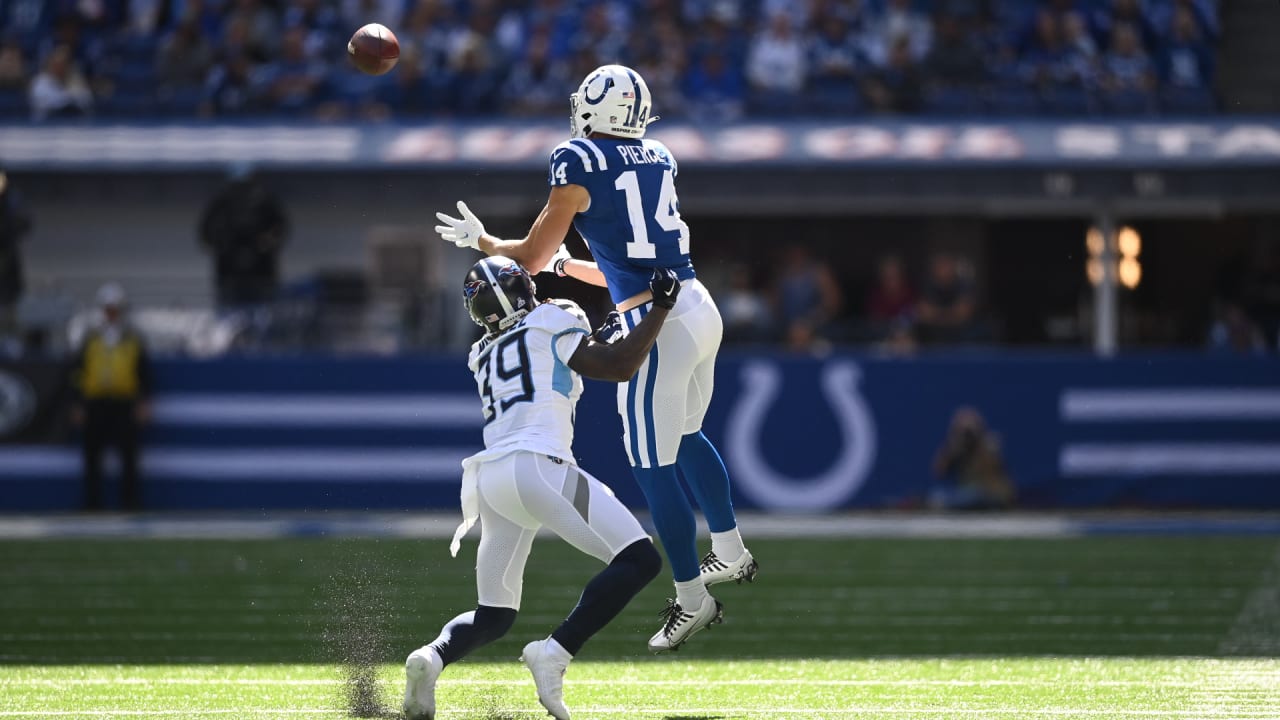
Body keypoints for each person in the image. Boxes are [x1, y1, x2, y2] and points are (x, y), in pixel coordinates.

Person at [434, 64, 757, 654]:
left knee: (652, 466)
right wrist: (565, 267)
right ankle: (731, 551)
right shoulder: (658, 155)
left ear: (589, 110)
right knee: (686, 435)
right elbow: (626, 261)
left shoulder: (576, 158)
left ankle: (692, 599)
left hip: (655, 321)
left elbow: (528, 256)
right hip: (695, 303)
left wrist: (483, 242)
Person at [402, 258, 677, 720]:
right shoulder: (553, 319)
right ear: (524, 289)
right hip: (537, 465)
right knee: (639, 559)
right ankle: (556, 651)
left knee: (494, 614)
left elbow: (547, 354)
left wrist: (594, 333)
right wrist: (660, 309)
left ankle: (432, 656)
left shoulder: (481, 353)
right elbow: (619, 366)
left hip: (490, 478)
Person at [70, 284, 152, 511]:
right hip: (95, 402)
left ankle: (130, 502)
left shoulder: (134, 337)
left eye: (115, 309)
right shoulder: (89, 336)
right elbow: (77, 371)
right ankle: (92, 504)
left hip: (124, 402)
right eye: (108, 308)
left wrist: (143, 401)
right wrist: (77, 403)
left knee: (129, 456)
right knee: (91, 457)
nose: (111, 313)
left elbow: (144, 372)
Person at [198, 165, 290, 309]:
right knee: (231, 317)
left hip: (261, 274)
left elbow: (280, 229)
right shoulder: (221, 204)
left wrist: (265, 243)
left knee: (262, 314)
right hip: (230, 275)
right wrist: (224, 245)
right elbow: (206, 233)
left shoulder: (266, 203)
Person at [930, 407, 1015, 511]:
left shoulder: (989, 445)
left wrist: (981, 445)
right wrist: (952, 449)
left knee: (973, 496)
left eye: (969, 431)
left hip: (989, 493)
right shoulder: (956, 447)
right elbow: (939, 472)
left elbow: (991, 474)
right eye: (962, 430)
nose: (967, 435)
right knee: (939, 495)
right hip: (965, 493)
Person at [0, 169, 32, 353]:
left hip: (8, 266)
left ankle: (10, 340)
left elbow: (25, 223)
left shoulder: (12, 201)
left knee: (10, 308)